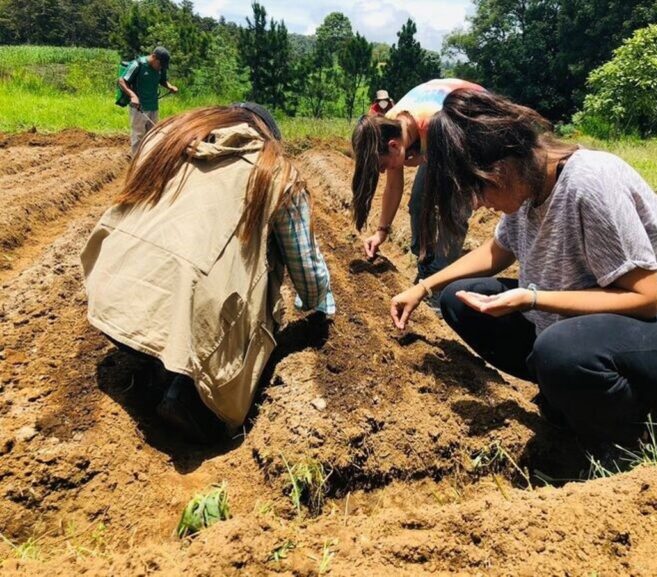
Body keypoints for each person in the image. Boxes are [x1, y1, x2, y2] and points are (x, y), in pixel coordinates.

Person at [390, 89, 657, 445]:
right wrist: (425, 287)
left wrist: (532, 299)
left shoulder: (588, 184)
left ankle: (626, 440)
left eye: (479, 191)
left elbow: (644, 298)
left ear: (500, 169)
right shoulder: (527, 183)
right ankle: (573, 391)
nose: (480, 204)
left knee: (558, 350)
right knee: (458, 299)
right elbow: (496, 252)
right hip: (587, 327)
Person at [81, 103, 335, 443]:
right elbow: (306, 271)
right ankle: (186, 393)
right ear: (270, 139)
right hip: (191, 319)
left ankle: (152, 358)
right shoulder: (277, 172)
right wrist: (320, 304)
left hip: (112, 292)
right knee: (251, 287)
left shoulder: (167, 140)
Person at [351, 78, 484, 292]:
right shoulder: (391, 125)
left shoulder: (435, 126)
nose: (384, 171)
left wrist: (477, 189)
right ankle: (425, 266)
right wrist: (381, 232)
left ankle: (440, 284)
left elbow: (465, 163)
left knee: (454, 210)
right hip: (436, 136)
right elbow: (393, 187)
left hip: (471, 124)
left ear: (394, 146)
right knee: (419, 204)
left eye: (383, 165)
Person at [118, 46, 179, 157]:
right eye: (159, 65)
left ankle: (148, 158)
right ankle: (136, 161)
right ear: (154, 57)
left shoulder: (161, 68)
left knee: (153, 134)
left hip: (153, 106)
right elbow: (122, 81)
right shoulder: (138, 64)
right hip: (139, 107)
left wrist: (170, 86)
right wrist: (132, 96)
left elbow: (163, 80)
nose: (160, 68)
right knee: (138, 135)